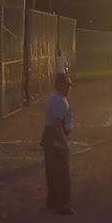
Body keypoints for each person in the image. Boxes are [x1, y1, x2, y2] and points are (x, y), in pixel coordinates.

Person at [40, 74, 75, 215]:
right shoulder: (60, 101)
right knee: (62, 173)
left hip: (50, 137)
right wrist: (64, 144)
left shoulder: (54, 96)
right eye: (66, 86)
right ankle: (63, 205)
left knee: (52, 171)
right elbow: (57, 124)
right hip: (55, 137)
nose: (68, 89)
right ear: (60, 86)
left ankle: (53, 202)